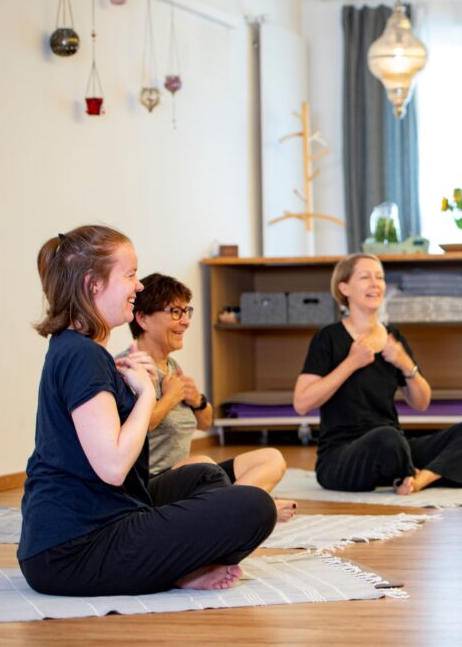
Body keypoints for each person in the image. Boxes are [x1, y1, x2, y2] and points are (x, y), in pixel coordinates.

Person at [18, 226, 276, 597]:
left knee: (204, 475)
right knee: (254, 507)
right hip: (73, 551)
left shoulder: (77, 348)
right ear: (93, 284)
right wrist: (144, 394)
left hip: (91, 526)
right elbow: (112, 466)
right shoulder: (82, 355)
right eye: (130, 275)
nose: (138, 286)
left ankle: (180, 566)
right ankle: (180, 568)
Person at [293, 253, 462, 494]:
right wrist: (350, 363)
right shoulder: (327, 338)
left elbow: (422, 402)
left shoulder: (393, 338)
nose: (375, 284)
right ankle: (411, 473)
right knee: (387, 438)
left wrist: (405, 364)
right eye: (365, 277)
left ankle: (420, 479)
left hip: (394, 447)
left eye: (380, 277)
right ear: (344, 288)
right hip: (341, 457)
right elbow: (302, 403)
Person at [120, 273, 297, 522]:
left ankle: (238, 509)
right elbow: (135, 428)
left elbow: (205, 423)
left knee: (271, 459)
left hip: (187, 477)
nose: (185, 321)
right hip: (148, 484)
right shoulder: (129, 367)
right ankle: (250, 509)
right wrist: (170, 398)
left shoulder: (172, 367)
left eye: (186, 312)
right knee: (204, 464)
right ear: (143, 319)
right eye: (175, 312)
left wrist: (198, 401)